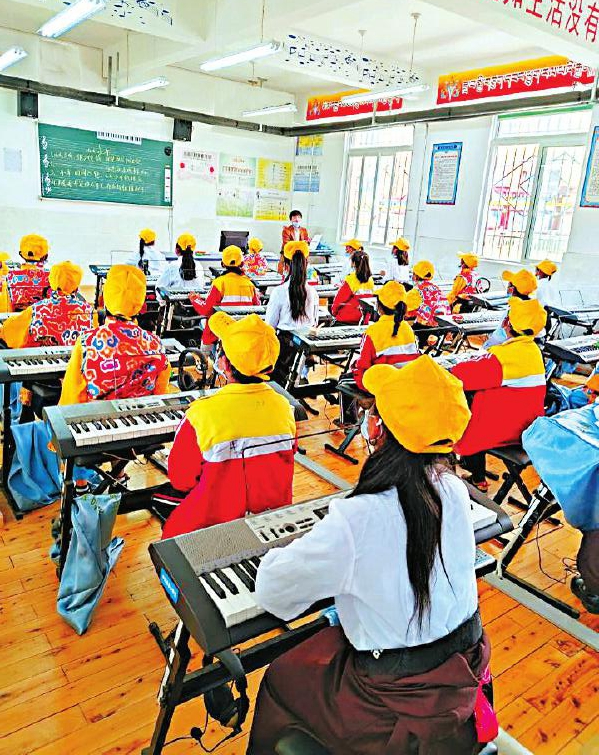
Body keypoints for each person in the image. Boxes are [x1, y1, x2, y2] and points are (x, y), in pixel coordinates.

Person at [249, 355, 496, 755]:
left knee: (282, 674)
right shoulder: (453, 488)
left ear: (379, 430)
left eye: (374, 412)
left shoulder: (358, 518)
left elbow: (273, 593)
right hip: (460, 679)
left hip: (389, 701)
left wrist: (279, 554)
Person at [159, 311, 296, 538]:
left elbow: (181, 480)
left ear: (224, 364)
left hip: (211, 527)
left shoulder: (201, 413)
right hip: (271, 523)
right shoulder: (284, 408)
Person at [451, 297, 546, 489]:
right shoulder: (533, 351)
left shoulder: (504, 357)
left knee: (460, 410)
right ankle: (476, 475)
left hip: (503, 429)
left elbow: (461, 376)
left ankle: (465, 478)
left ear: (507, 324)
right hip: (526, 426)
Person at [59, 265, 171, 404]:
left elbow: (71, 399)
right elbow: (160, 394)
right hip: (143, 415)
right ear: (141, 306)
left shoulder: (87, 342)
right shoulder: (156, 344)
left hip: (95, 416)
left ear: (105, 299)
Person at [1, 261, 96, 348]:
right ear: (76, 286)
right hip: (78, 360)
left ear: (52, 281)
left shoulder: (36, 310)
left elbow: (8, 332)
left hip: (40, 360)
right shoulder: (90, 313)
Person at [352, 280, 421, 390]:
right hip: (406, 383)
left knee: (346, 379)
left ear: (379, 307)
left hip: (383, 386)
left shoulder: (373, 331)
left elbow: (363, 366)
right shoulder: (408, 328)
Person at [190, 245, 260, 347]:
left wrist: (194, 298)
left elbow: (206, 310)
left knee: (203, 324)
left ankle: (205, 355)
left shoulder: (219, 283)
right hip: (243, 332)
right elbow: (257, 308)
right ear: (242, 263)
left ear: (222, 264)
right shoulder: (250, 284)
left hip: (221, 334)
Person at [266, 241, 319, 331]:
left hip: (285, 338)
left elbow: (270, 326)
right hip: (307, 337)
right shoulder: (313, 292)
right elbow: (315, 322)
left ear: (286, 266)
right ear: (306, 265)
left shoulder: (278, 292)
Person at [484, 268, 537, 349]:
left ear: (513, 289)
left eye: (509, 285)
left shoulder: (514, 308)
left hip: (501, 343)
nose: (507, 287)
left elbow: (503, 333)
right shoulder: (530, 306)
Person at [5, 234, 50, 312]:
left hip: (17, 317)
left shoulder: (10, 276)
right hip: (41, 315)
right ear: (45, 256)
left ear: (21, 254)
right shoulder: (50, 276)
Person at [331, 250, 374, 324]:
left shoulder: (351, 279)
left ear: (353, 263)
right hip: (363, 320)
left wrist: (334, 313)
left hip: (346, 318)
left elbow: (339, 301)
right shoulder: (370, 280)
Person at [156, 233, 204, 297]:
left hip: (175, 302)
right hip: (195, 302)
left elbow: (160, 288)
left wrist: (163, 301)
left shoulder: (172, 266)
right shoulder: (199, 266)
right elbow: (201, 286)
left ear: (177, 250)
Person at [410, 260, 451, 326]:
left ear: (415, 276)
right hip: (444, 324)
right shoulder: (436, 288)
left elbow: (404, 306)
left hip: (428, 326)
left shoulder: (416, 291)